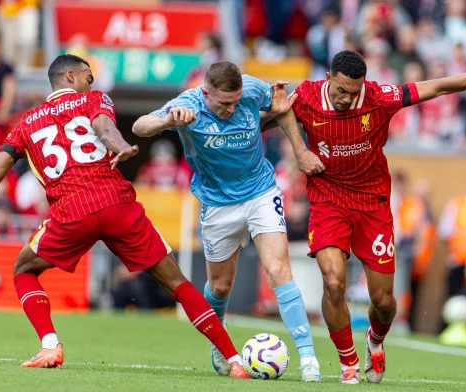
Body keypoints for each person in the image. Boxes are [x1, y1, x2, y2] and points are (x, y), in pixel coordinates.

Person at [0, 54, 251, 378]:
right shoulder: (93, 99)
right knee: (177, 283)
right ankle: (234, 360)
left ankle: (50, 344)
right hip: (116, 204)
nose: (92, 82)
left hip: (71, 212)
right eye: (88, 76)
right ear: (70, 77)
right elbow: (103, 127)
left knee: (24, 270)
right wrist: (121, 145)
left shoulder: (25, 123)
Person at [261, 50, 466, 384]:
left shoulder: (380, 99)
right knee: (334, 281)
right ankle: (348, 362)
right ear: (328, 80)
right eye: (340, 90)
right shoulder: (306, 96)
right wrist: (296, 146)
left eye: (353, 92)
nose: (345, 98)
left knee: (382, 301)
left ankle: (375, 342)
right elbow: (266, 120)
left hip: (373, 205)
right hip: (328, 202)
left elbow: (440, 86)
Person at [132, 61, 325, 382]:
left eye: (236, 102)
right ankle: (220, 345)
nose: (231, 108)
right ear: (206, 92)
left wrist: (301, 152)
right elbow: (140, 126)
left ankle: (308, 357)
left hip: (260, 191)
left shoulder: (250, 88)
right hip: (218, 203)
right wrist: (167, 119)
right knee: (220, 285)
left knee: (279, 270)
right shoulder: (187, 104)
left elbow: (281, 109)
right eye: (224, 103)